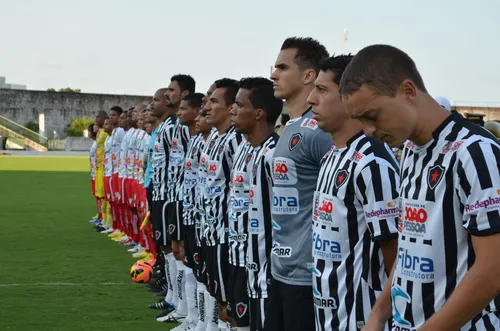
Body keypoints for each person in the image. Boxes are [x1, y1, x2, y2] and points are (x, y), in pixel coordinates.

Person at [339, 44, 500, 331]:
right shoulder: (411, 151)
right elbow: (409, 251)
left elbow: (493, 270)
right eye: (360, 121)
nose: (368, 131)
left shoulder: (475, 153)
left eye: (372, 115)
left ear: (408, 92)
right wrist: (378, 314)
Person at [307, 54, 400, 330]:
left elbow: (394, 254)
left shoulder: (373, 162)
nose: (311, 98)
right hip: (327, 312)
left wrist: (380, 317)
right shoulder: (331, 157)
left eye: (322, 90)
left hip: (360, 319)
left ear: (350, 96)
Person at [265, 37, 332, 331]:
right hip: (280, 267)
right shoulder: (290, 126)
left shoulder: (319, 130)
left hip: (307, 276)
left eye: (282, 67)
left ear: (308, 75)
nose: (273, 74)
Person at [231, 79, 283, 331]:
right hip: (244, 260)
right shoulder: (248, 150)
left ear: (259, 113)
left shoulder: (274, 154)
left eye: (239, 105)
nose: (233, 110)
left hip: (267, 275)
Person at [201, 78, 244, 331]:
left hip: (227, 238)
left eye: (214, 101)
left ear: (230, 108)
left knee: (231, 309)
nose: (206, 107)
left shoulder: (234, 142)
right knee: (219, 299)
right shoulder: (216, 139)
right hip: (209, 229)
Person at [159, 74, 196, 324]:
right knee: (174, 248)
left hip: (186, 200)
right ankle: (177, 301)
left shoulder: (187, 128)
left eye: (171, 90)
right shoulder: (172, 124)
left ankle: (187, 311)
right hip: (171, 194)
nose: (166, 95)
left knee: (185, 253)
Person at [171, 92, 205, 331]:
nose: (179, 113)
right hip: (189, 211)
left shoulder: (226, 143)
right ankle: (192, 317)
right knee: (189, 263)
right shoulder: (195, 140)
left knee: (206, 276)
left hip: (213, 226)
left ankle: (203, 322)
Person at [149, 87, 180, 322]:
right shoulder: (166, 127)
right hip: (162, 194)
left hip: (175, 198)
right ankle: (172, 297)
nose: (168, 95)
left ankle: (179, 304)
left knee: (177, 250)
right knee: (166, 246)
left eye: (171, 90)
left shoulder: (177, 128)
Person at [94, 111, 110, 233]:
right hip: (99, 168)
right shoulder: (100, 132)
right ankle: (103, 220)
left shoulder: (107, 133)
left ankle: (108, 223)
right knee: (101, 196)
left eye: (98, 117)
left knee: (106, 197)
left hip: (106, 169)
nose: (96, 119)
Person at [101, 118, 114, 232]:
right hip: (107, 172)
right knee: (107, 199)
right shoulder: (108, 138)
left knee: (113, 202)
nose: (104, 126)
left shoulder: (116, 135)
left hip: (113, 173)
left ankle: (111, 225)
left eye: (106, 123)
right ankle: (108, 224)